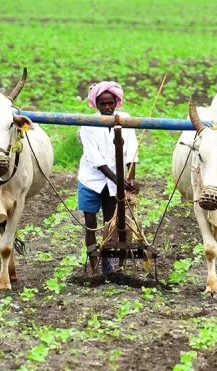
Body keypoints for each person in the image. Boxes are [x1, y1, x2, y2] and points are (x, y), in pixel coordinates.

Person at [77, 81, 140, 274]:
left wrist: (130, 179)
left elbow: (131, 152)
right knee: (90, 222)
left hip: (115, 182)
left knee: (110, 223)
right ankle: (94, 267)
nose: (107, 107)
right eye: (103, 104)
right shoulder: (87, 125)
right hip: (91, 180)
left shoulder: (126, 120)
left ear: (116, 102)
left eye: (110, 103)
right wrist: (118, 180)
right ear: (96, 104)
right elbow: (94, 157)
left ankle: (108, 265)